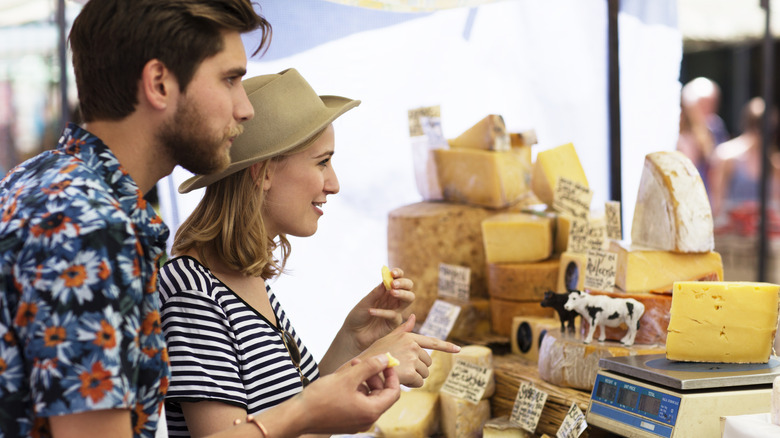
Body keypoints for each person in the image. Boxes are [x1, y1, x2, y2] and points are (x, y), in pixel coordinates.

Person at [0, 1, 402, 437]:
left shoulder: (55, 188)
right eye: (230, 79)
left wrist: (346, 356)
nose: (245, 109)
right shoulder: (92, 227)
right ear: (159, 84)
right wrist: (304, 412)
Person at [158, 68, 461, 437]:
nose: (333, 184)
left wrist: (353, 340)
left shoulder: (243, 278)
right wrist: (367, 365)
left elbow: (293, 410)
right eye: (322, 161)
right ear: (263, 173)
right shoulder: (192, 289)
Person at [709, 97, 780, 229]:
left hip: (764, 232)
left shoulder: (773, 162)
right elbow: (716, 204)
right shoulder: (727, 156)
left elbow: (776, 205)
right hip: (733, 234)